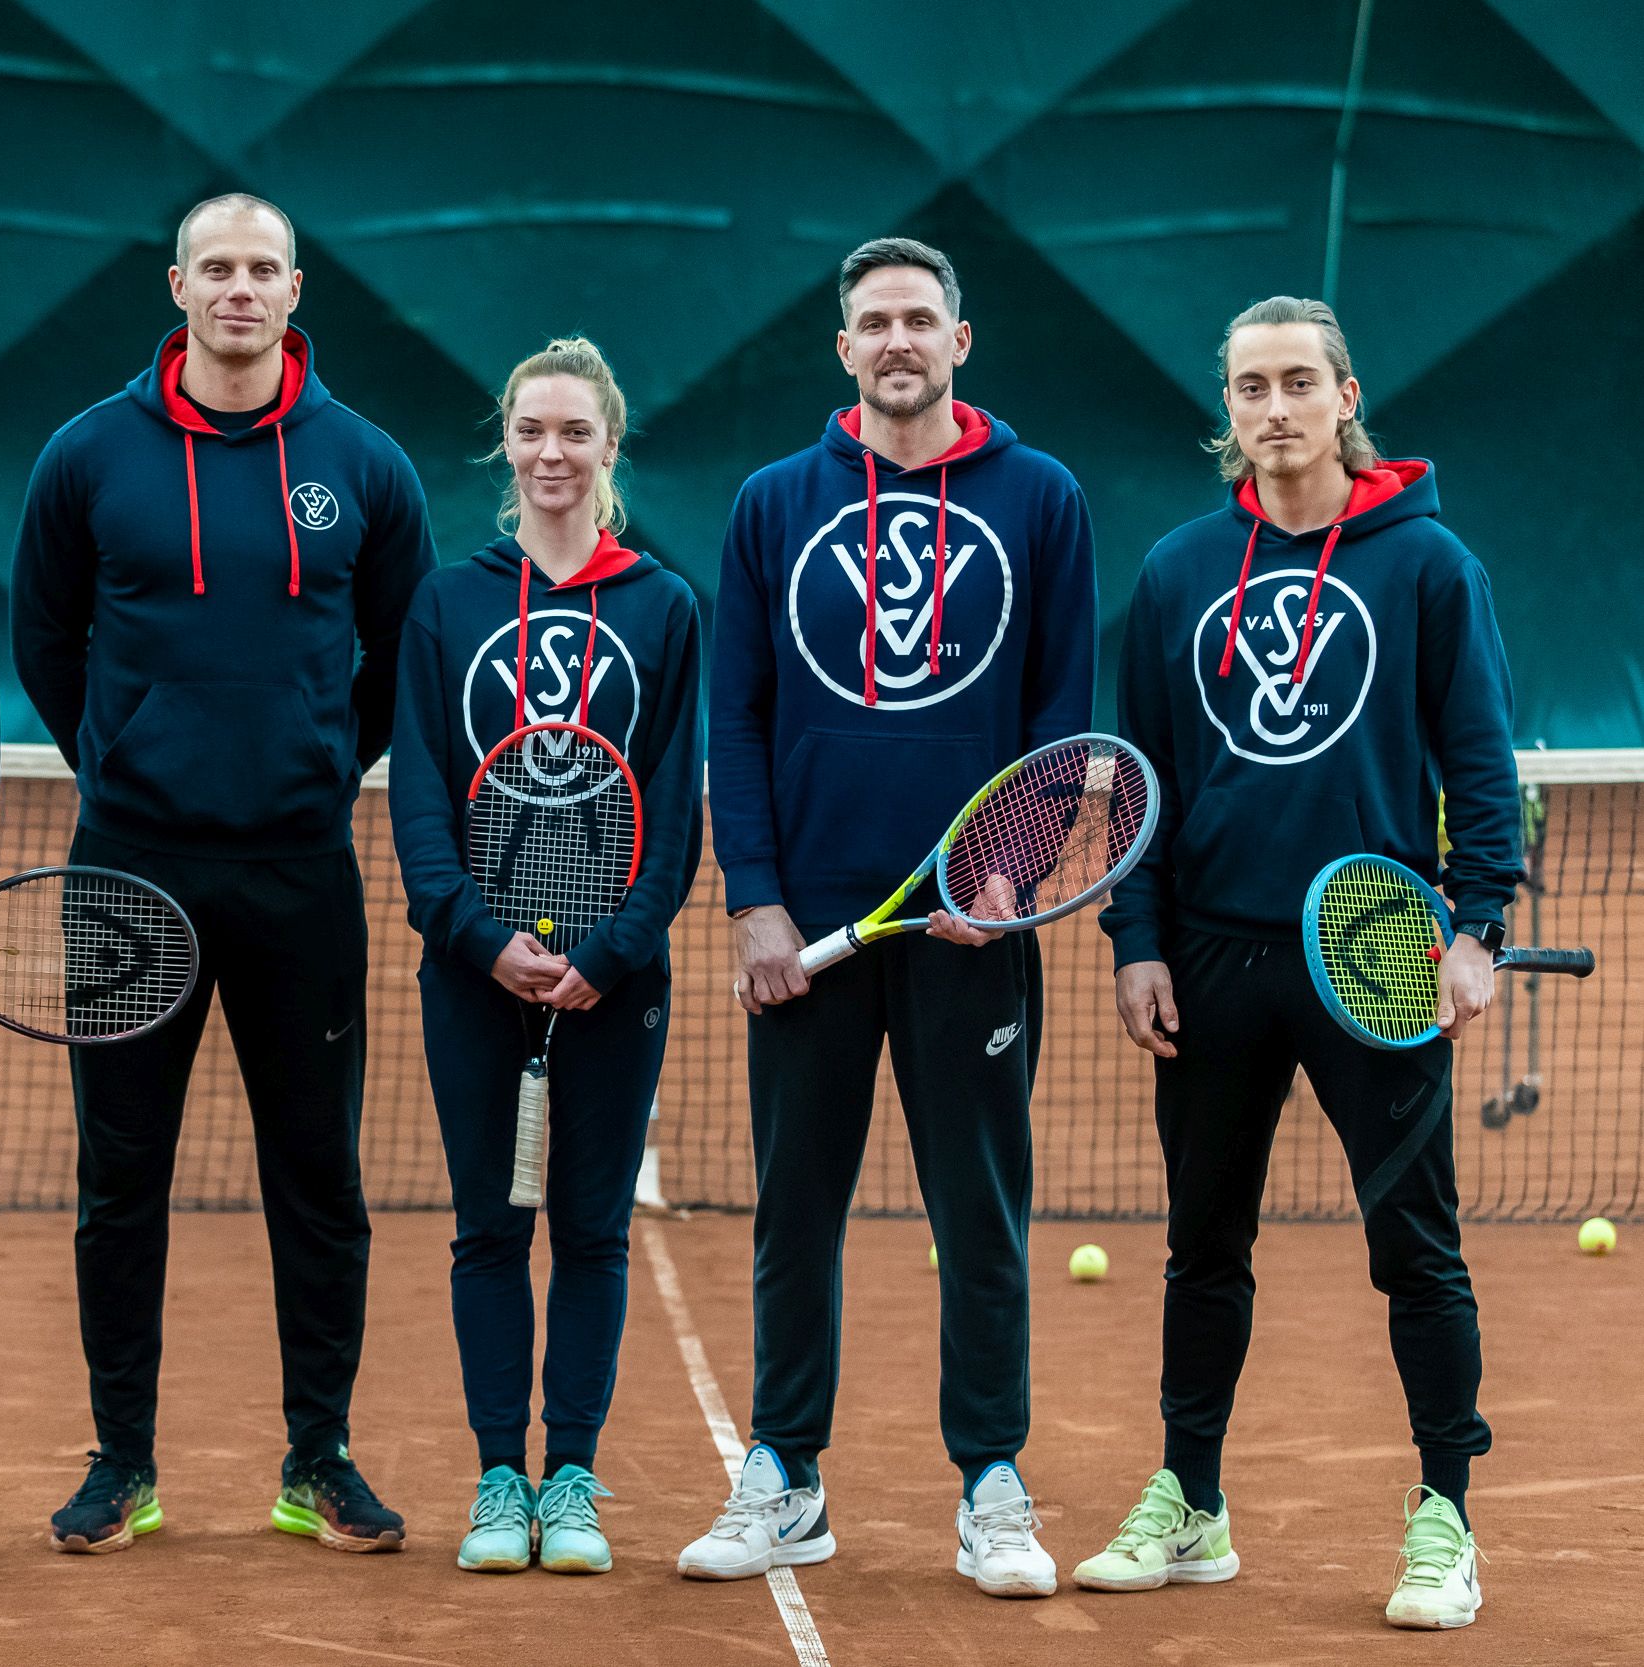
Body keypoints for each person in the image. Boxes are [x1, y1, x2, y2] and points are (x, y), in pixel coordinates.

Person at [1081, 296, 1514, 1631]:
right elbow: (1140, 781)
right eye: (1248, 387)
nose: (1273, 408)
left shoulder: (1429, 566)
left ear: (1345, 395)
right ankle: (1191, 1501)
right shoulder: (1175, 572)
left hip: (1374, 955)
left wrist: (1476, 927)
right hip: (1212, 958)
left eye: (1295, 383)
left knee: (1416, 1249)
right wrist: (1139, 940)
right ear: (1229, 408)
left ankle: (1445, 1515)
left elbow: (1481, 765)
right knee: (1202, 1245)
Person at [12, 193, 435, 1555]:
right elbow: (45, 637)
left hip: (301, 870)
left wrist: (310, 761)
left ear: (294, 285)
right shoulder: (87, 455)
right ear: (179, 283)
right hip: (128, 870)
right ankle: (120, 1460)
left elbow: (394, 660)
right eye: (218, 269)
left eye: (262, 269)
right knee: (118, 1174)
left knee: (317, 1173)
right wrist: (129, 758)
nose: (239, 290)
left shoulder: (366, 463)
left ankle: (319, 1457)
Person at [687, 237, 1096, 1595]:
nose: (900, 338)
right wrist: (754, 899)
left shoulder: (1041, 499)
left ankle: (992, 1480)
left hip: (969, 932)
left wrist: (1010, 873)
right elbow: (734, 719)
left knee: (979, 1213)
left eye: (922, 317)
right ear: (844, 348)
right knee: (793, 1209)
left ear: (961, 341)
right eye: (876, 321)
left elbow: (1062, 721)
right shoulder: (770, 503)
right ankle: (786, 1474)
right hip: (808, 934)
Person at [389, 337, 702, 1575]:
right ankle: (495, 1475)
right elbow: (417, 789)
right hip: (472, 976)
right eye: (531, 430)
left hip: (611, 983)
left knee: (591, 1229)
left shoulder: (663, 607)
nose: (551, 452)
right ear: (505, 443)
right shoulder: (447, 598)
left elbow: (675, 810)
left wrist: (614, 950)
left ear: (609, 445)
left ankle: (569, 1469)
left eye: (574, 431)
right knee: (486, 1227)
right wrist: (473, 930)